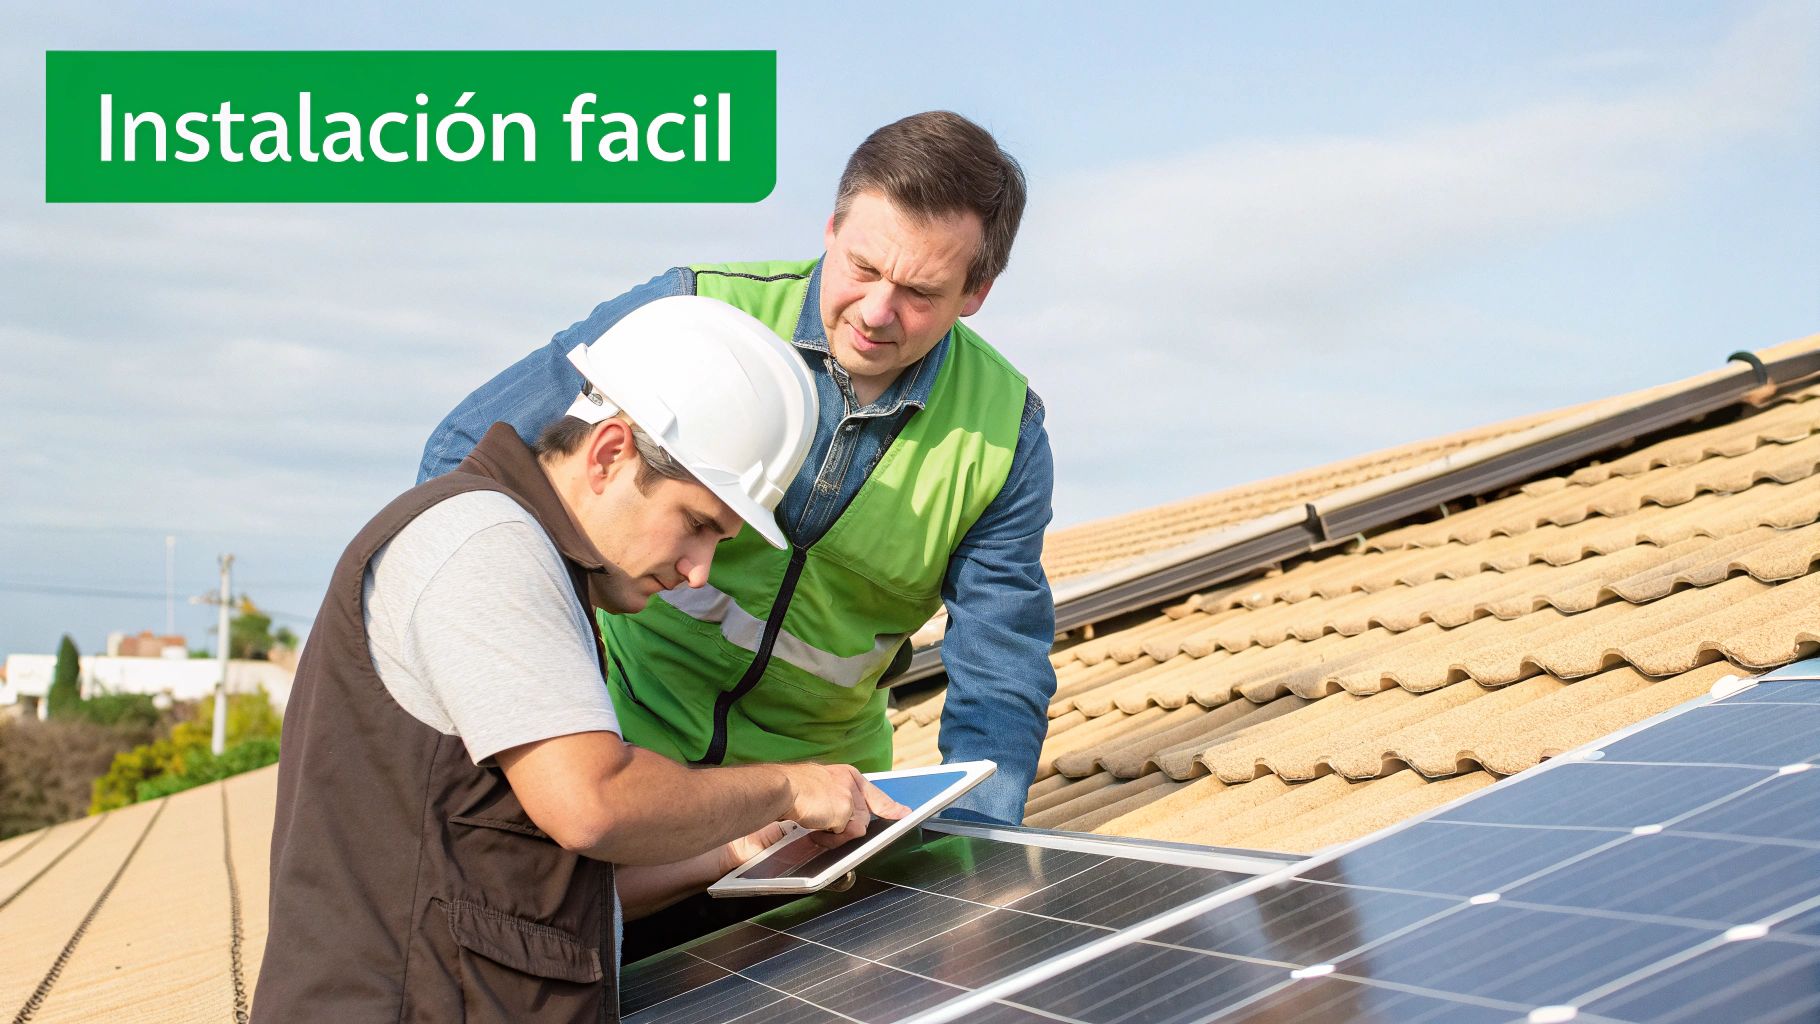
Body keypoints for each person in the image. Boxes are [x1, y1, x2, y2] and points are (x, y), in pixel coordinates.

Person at [253, 296, 908, 1022]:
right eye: (696, 525)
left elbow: (530, 892)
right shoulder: (486, 545)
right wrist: (785, 787)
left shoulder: (531, 561)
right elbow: (592, 804)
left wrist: (729, 850)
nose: (698, 571)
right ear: (608, 455)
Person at [419, 111, 1057, 830]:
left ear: (976, 293)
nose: (878, 312)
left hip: (816, 815)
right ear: (830, 229)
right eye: (863, 268)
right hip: (625, 769)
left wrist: (973, 847)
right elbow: (463, 462)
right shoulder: (698, 312)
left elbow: (999, 670)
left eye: (920, 293)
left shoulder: (1007, 437)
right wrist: (538, 712)